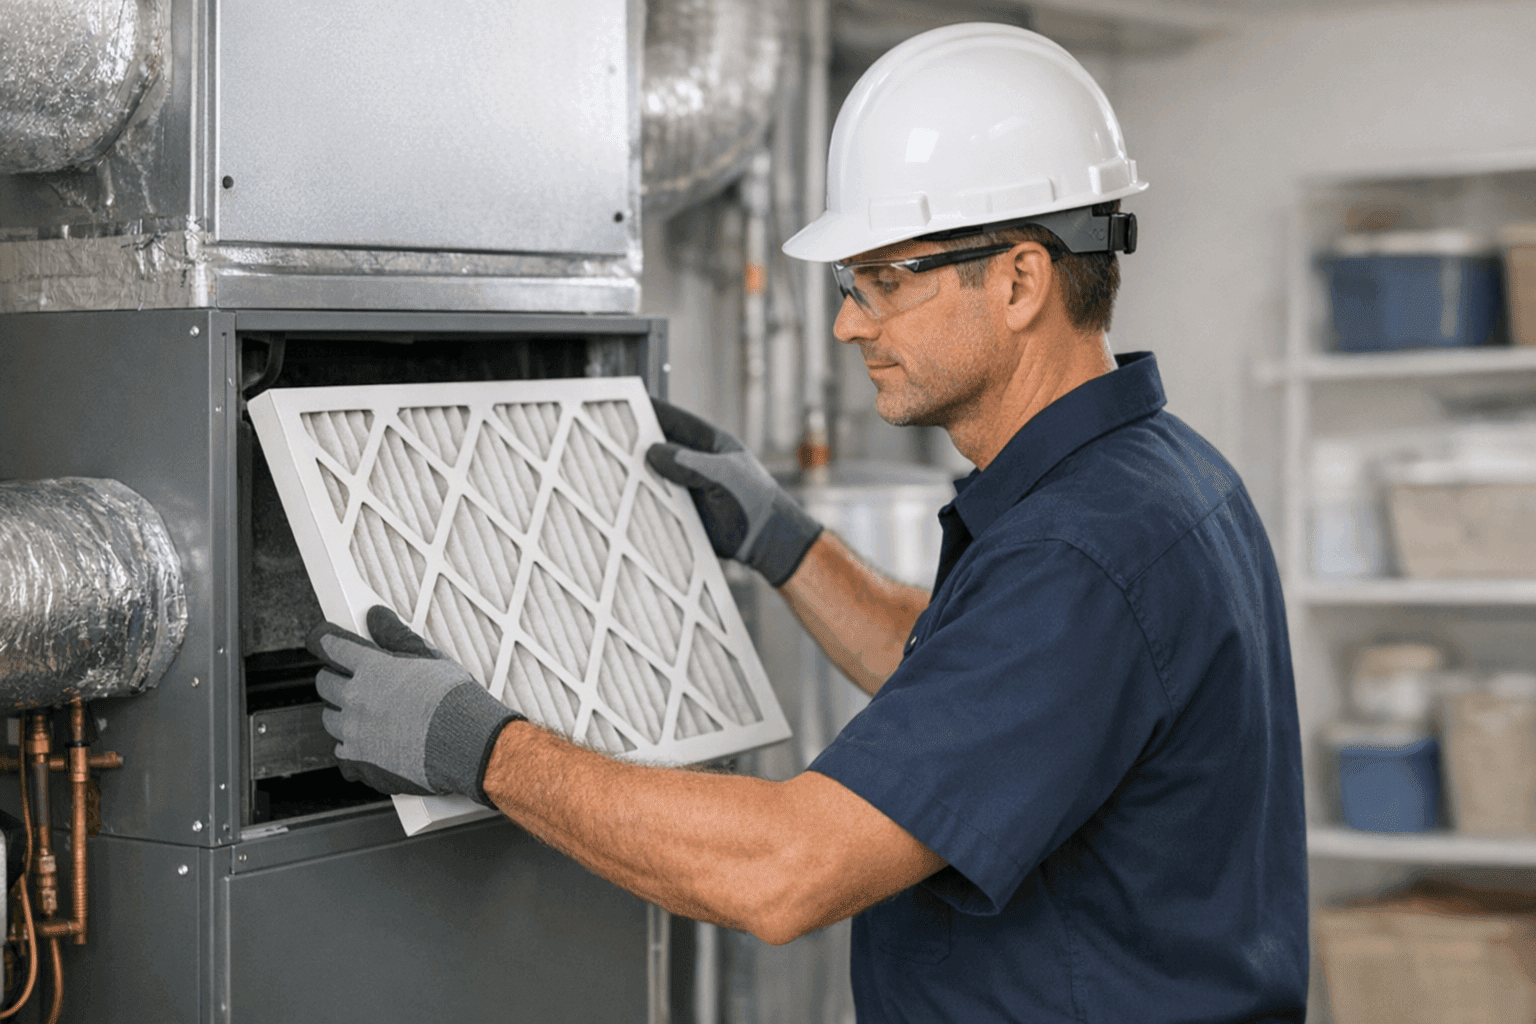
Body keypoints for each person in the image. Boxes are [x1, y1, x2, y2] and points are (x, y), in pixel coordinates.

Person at [307, 23, 1308, 1024]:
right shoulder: (1161, 477)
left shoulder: (1081, 552)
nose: (849, 323)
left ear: (1018, 280)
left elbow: (785, 870)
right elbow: (972, 687)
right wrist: (784, 542)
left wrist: (480, 747)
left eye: (887, 281)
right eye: (850, 284)